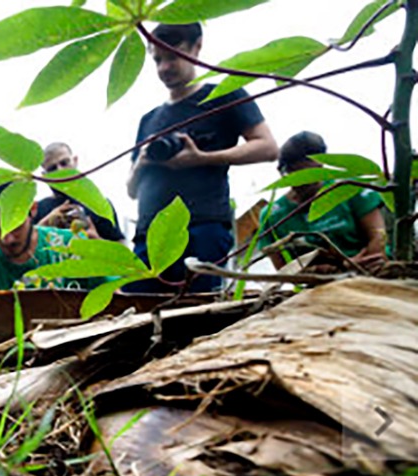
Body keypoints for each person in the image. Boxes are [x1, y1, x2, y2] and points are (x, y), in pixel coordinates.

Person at [126, 22, 278, 292]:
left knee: (200, 318)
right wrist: (142, 163)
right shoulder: (148, 120)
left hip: (202, 227)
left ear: (197, 47)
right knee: (140, 319)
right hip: (148, 236)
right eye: (158, 60)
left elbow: (267, 147)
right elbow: (131, 190)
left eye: (173, 56)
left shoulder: (223, 96)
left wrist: (202, 157)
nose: (164, 68)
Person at [0, 185, 104, 351]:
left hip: (74, 358)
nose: (7, 239)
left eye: (14, 226)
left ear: (32, 209)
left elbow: (115, 298)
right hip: (4, 369)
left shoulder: (72, 246)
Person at [255, 131, 389, 268]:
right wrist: (339, 269)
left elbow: (378, 238)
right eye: (296, 177)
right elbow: (285, 269)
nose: (303, 184)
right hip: (317, 284)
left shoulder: (351, 188)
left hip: (370, 272)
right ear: (285, 173)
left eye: (310, 176)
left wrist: (355, 265)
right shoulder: (272, 216)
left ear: (321, 166)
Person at [33, 142, 125, 242]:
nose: (60, 170)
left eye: (64, 163)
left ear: (75, 161)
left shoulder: (99, 204)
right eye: (52, 168)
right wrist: (44, 224)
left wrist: (95, 240)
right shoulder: (38, 209)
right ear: (44, 176)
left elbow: (123, 250)